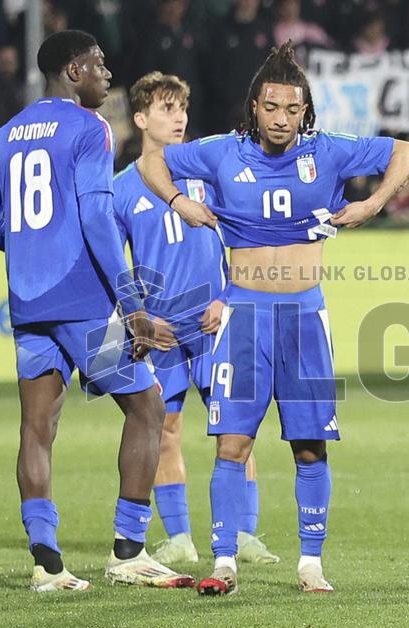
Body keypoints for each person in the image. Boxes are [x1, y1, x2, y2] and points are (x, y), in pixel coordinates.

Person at [137, 41, 409, 595]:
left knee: (310, 445)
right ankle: (224, 561)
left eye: (293, 110)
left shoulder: (330, 152)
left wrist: (373, 203)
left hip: (305, 316)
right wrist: (177, 201)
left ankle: (310, 562)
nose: (282, 120)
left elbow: (407, 152)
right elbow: (150, 159)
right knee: (232, 443)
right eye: (272, 108)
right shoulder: (222, 152)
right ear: (254, 106)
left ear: (305, 111)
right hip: (243, 314)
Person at [0, 30, 193, 592]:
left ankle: (47, 565)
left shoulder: (4, 136)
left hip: (29, 303)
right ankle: (128, 550)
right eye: (97, 65)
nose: (107, 74)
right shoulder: (88, 128)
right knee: (147, 407)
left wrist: (31, 246)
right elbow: (96, 221)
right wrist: (133, 303)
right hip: (83, 301)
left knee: (36, 427)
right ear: (73, 71)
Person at [113, 71, 280, 566]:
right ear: (141, 118)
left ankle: (244, 533)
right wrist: (137, 319)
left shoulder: (206, 171)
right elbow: (113, 263)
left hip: (213, 319)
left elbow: (248, 237)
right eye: (166, 108)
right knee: (164, 429)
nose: (179, 117)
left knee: (236, 426)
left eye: (182, 107)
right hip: (160, 331)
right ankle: (180, 537)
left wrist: (226, 297)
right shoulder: (121, 189)